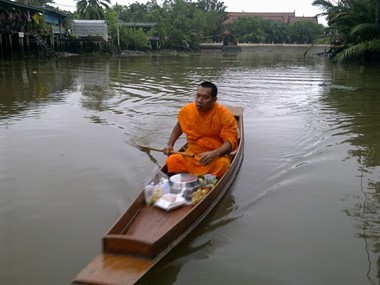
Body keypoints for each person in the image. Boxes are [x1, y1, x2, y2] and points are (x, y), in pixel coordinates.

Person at [163, 81, 238, 178]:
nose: (199, 100)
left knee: (223, 164)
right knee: (172, 160)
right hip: (192, 155)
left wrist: (215, 153)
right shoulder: (187, 110)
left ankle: (206, 183)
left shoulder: (224, 115)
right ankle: (185, 181)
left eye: (205, 97)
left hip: (214, 157)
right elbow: (179, 126)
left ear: (214, 100)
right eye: (198, 96)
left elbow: (230, 141)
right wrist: (170, 145)